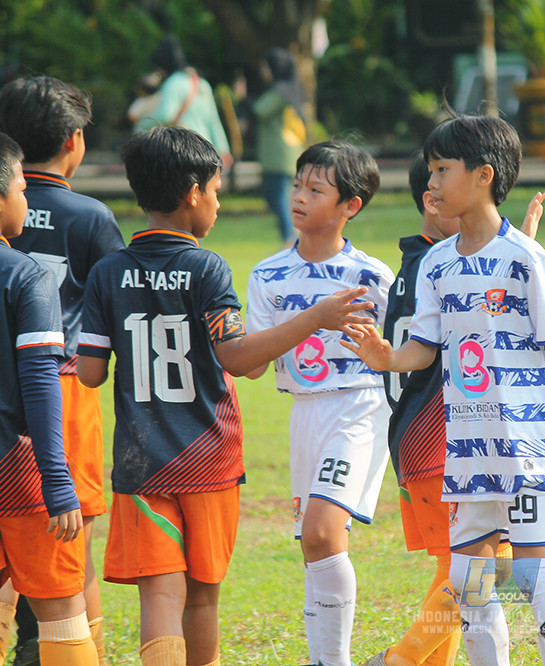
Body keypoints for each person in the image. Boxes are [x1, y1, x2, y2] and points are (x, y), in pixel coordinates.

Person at [75, 126, 377, 666]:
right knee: (204, 595)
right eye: (216, 191)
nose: (217, 203)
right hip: (208, 458)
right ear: (193, 194)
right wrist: (317, 316)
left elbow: (92, 372)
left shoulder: (107, 272)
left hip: (141, 460)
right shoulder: (206, 266)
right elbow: (236, 357)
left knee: (161, 594)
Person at [342, 114, 545, 666]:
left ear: (483, 175)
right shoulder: (437, 263)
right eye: (430, 170)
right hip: (469, 450)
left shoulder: (527, 259)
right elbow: (424, 349)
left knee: (532, 574)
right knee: (470, 581)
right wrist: (386, 357)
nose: (430, 183)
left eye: (441, 169)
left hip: (528, 448)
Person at [363, 154, 545, 666]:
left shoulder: (412, 266)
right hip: (444, 442)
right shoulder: (445, 266)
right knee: (482, 565)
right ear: (432, 199)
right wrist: (522, 252)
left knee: (468, 566)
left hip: (424, 443)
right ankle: (400, 659)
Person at [244, 140, 393, 666]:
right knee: (315, 545)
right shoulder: (267, 275)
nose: (300, 197)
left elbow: (402, 351)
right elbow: (254, 361)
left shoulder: (372, 276)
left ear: (351, 206)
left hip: (359, 404)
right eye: (297, 185)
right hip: (303, 411)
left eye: (316, 189)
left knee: (323, 530)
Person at [0, 75, 126, 665]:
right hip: (62, 391)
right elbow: (118, 313)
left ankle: (27, 646)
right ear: (74, 141)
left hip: (9, 390)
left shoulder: (15, 200)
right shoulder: (91, 215)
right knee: (70, 548)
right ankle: (78, 651)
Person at [134, 36, 233, 168]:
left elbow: (166, 115)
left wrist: (141, 123)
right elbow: (213, 120)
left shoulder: (172, 83)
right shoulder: (202, 84)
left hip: (184, 151)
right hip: (206, 150)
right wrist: (223, 149)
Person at [252, 47, 307, 245]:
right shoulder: (294, 88)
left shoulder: (279, 91)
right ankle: (292, 237)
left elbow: (259, 110)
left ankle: (290, 240)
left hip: (279, 154)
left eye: (265, 67)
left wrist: (242, 97)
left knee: (277, 198)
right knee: (281, 198)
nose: (263, 71)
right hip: (291, 151)